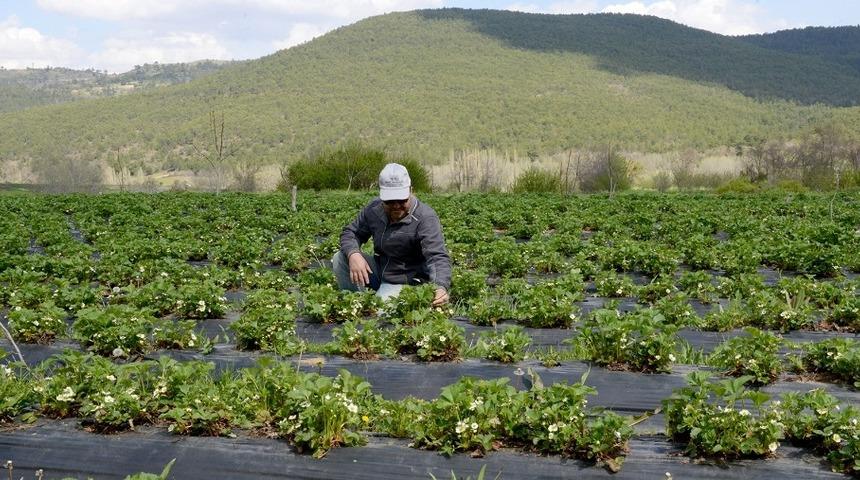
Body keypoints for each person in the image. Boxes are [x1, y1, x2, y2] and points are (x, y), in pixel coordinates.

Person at [333, 163, 451, 306]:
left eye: (401, 200)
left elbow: (436, 256)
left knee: (382, 312)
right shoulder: (374, 209)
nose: (396, 205)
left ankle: (371, 307)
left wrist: (440, 286)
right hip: (380, 270)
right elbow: (351, 232)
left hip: (406, 281)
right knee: (340, 258)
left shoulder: (425, 217)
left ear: (410, 191)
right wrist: (353, 254)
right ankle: (354, 305)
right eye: (389, 201)